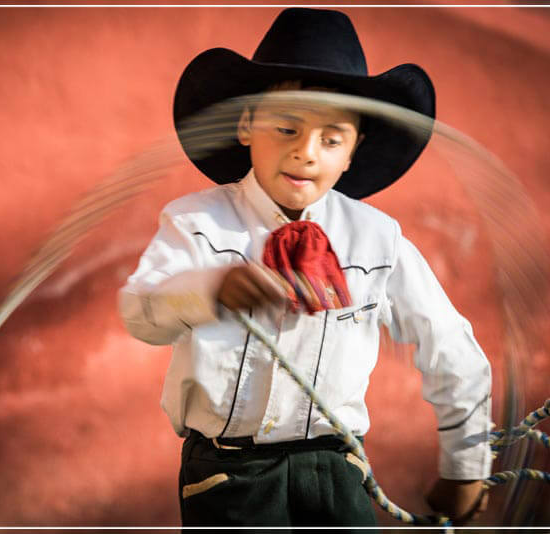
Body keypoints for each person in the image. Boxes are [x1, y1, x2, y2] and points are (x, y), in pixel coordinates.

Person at [118, 8, 491, 527]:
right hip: (228, 475)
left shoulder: (377, 239)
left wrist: (466, 467)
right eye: (286, 127)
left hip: (338, 467)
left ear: (353, 151)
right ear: (247, 123)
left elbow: (449, 344)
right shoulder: (197, 224)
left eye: (331, 139)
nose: (306, 153)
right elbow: (140, 312)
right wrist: (210, 290)